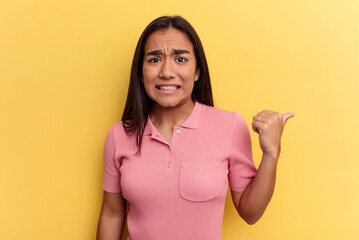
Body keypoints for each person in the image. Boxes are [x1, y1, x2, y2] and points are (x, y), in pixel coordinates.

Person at [97, 15, 293, 240]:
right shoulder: (119, 135)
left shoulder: (229, 126)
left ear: (197, 71)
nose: (167, 72)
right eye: (154, 60)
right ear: (141, 73)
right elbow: (112, 214)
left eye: (180, 59)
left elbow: (250, 213)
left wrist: (271, 154)